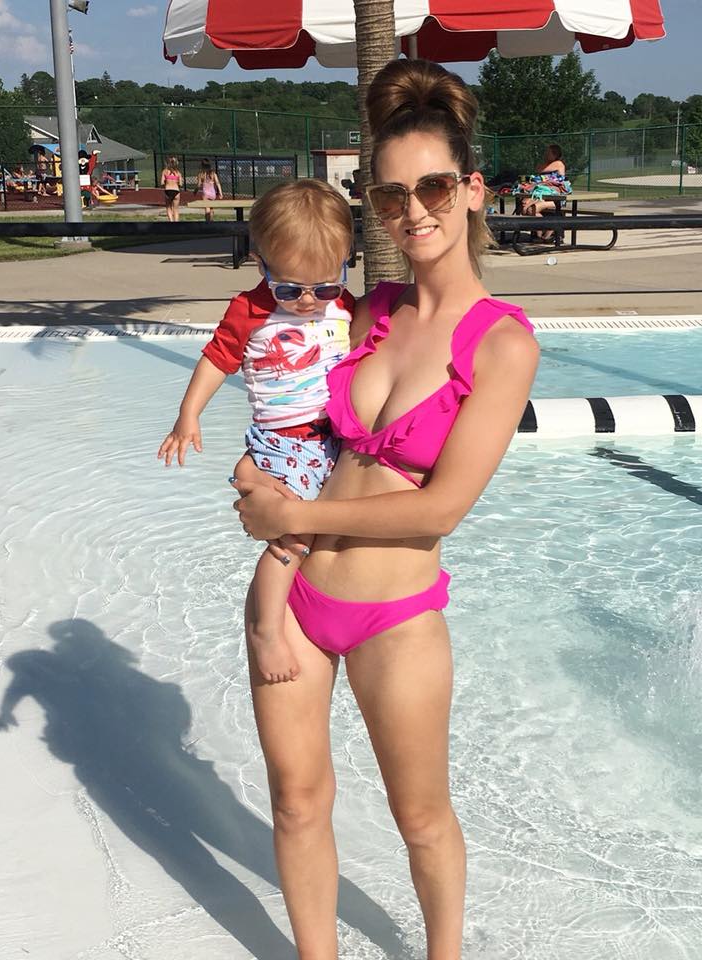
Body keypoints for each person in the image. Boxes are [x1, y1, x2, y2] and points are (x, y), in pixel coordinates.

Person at [230, 59, 540, 957]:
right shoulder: (368, 311)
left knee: (421, 820)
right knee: (295, 803)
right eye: (393, 194)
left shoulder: (503, 343)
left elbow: (438, 510)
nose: (416, 211)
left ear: (472, 189)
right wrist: (261, 480)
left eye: (435, 186)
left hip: (394, 618)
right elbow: (286, 406)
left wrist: (287, 520)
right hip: (294, 597)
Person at [157, 179, 354, 684]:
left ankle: (312, 605)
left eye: (324, 286)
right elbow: (216, 361)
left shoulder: (345, 306)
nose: (309, 300)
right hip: (287, 439)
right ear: (262, 264)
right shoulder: (251, 309)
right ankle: (266, 631)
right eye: (290, 288)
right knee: (293, 537)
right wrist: (188, 416)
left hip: (327, 438)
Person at [518, 143, 570, 242]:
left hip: (555, 198)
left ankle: (551, 230)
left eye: (548, 153)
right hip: (542, 194)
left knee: (531, 210)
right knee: (524, 209)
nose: (545, 155)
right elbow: (538, 169)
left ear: (555, 154)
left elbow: (540, 169)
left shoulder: (558, 163)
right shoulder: (547, 164)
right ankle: (541, 234)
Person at [160, 156, 183, 222]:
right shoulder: (178, 173)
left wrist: (167, 182)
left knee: (168, 207)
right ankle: (176, 223)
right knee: (176, 209)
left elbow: (162, 183)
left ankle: (171, 221)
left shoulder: (165, 171)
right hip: (176, 191)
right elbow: (181, 184)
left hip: (168, 190)